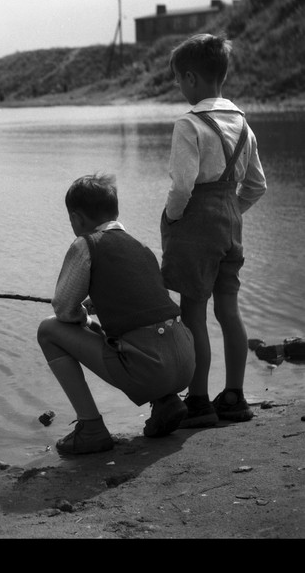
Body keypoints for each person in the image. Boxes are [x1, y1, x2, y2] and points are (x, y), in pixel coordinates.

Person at [37, 173, 195, 455]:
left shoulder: (86, 244)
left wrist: (84, 318)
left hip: (151, 368)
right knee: (125, 335)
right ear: (115, 211)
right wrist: (99, 306)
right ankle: (165, 403)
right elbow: (147, 304)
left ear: (76, 218)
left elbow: (62, 308)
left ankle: (91, 427)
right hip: (184, 359)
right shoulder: (140, 246)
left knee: (48, 331)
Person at [161, 34, 267, 428]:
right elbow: (257, 186)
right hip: (230, 225)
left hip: (195, 225)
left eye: (177, 79)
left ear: (191, 78)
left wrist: (173, 219)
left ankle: (200, 400)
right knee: (228, 310)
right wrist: (230, 211)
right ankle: (235, 396)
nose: (177, 86)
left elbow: (182, 186)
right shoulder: (243, 124)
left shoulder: (189, 124)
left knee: (193, 313)